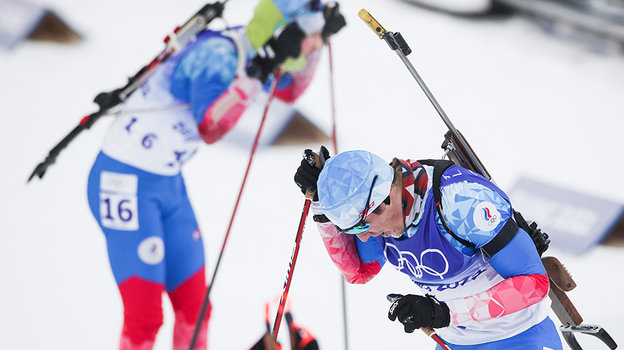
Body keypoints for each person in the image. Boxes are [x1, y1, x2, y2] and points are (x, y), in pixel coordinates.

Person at [86, 1, 345, 349]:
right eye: (309, 36)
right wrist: (256, 75)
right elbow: (210, 125)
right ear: (283, 32)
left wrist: (314, 46)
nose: (315, 45)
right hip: (124, 181)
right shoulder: (221, 54)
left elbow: (290, 90)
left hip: (167, 182)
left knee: (196, 312)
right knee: (145, 319)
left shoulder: (256, 53)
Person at [293, 147, 563, 349]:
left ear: (384, 199)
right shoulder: (383, 218)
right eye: (351, 231)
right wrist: (318, 204)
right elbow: (358, 272)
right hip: (453, 341)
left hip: (519, 336)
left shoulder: (460, 201)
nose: (363, 238)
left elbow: (535, 283)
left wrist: (442, 312)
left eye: (361, 227)